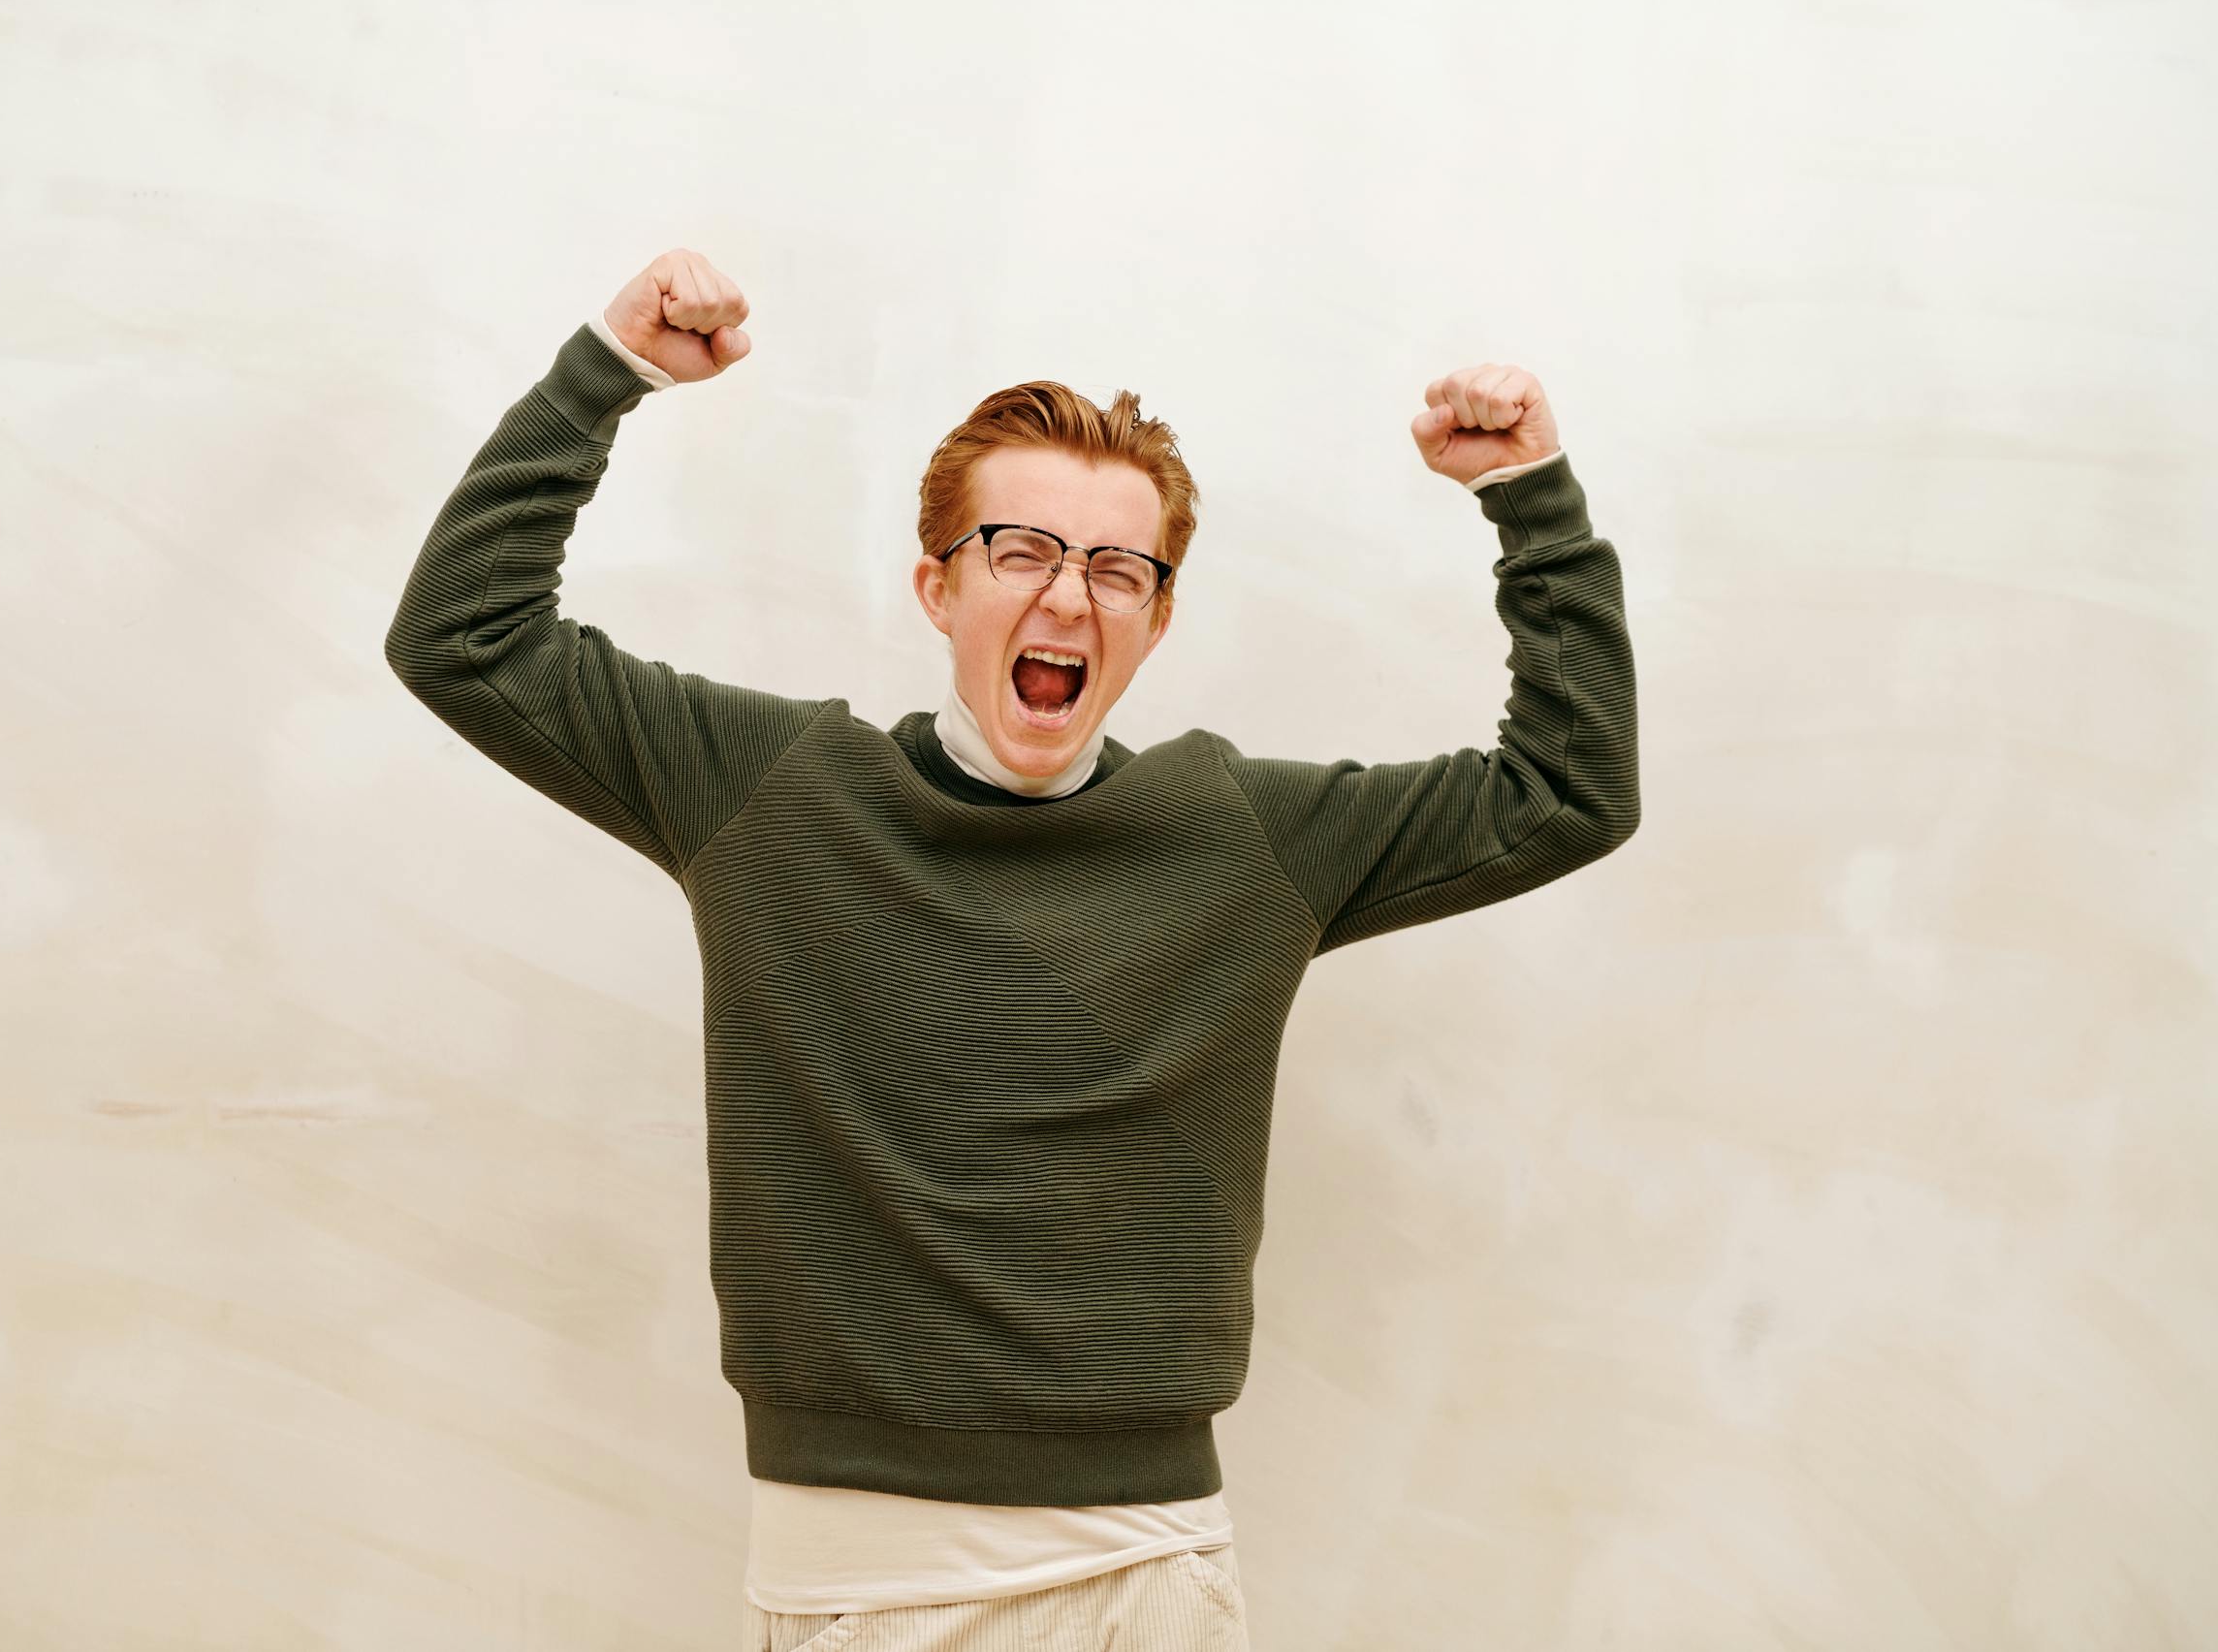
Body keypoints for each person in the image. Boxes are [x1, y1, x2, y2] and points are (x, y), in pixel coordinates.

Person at [385, 247, 1640, 1651]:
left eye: (1117, 567)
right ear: (939, 587)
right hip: (858, 1587)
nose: (1068, 597)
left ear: (1157, 616)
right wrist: (603, 375)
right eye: (1024, 550)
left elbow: (1569, 791)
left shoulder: (1241, 834)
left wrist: (1528, 497)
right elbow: (462, 639)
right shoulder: (769, 793)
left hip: (1145, 1576)